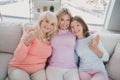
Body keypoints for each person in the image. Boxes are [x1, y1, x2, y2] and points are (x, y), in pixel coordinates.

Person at [8, 11, 58, 80]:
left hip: (38, 71)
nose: (48, 25)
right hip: (19, 68)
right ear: (41, 21)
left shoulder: (51, 38)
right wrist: (27, 40)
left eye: (52, 24)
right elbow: (18, 58)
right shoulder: (31, 32)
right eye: (47, 21)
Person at [70, 16, 109, 80]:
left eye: (77, 25)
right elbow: (75, 59)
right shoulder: (74, 43)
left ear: (83, 25)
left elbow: (106, 58)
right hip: (83, 71)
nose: (75, 28)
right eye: (72, 27)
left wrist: (96, 49)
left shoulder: (93, 38)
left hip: (99, 71)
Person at [46, 8, 80, 80]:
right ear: (58, 19)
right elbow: (41, 30)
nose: (65, 23)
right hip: (54, 67)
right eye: (62, 20)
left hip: (71, 68)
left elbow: (85, 31)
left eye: (68, 20)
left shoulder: (73, 31)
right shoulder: (52, 31)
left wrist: (96, 35)